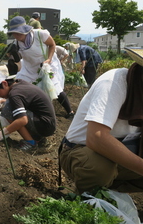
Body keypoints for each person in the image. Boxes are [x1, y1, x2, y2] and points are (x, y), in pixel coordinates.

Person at [59, 47, 143, 194]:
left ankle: (110, 195)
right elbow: (96, 138)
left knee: (108, 169)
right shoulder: (115, 82)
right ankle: (87, 199)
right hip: (79, 150)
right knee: (100, 168)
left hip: (123, 149)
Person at [8, 16, 75, 118]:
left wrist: (49, 59)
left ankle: (70, 112)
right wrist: (12, 57)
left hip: (46, 65)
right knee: (20, 85)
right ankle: (23, 110)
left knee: (54, 88)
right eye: (14, 33)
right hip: (29, 68)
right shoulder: (17, 43)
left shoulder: (40, 34)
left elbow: (52, 45)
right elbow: (19, 59)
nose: (16, 35)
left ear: (24, 30)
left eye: (18, 32)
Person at [0, 71, 56, 151]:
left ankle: (30, 143)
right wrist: (3, 101)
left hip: (45, 125)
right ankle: (37, 138)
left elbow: (22, 120)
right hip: (47, 122)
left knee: (8, 110)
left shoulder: (14, 94)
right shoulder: (19, 83)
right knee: (10, 105)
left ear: (5, 83)